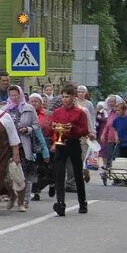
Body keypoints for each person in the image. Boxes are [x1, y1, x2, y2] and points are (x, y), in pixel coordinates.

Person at [49, 82, 91, 217]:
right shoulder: (57, 112)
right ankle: (60, 203)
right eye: (62, 97)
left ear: (73, 97)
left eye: (67, 97)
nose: (64, 99)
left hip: (73, 143)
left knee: (77, 174)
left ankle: (82, 202)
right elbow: (53, 128)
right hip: (61, 144)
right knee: (59, 174)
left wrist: (72, 128)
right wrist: (55, 129)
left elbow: (84, 130)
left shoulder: (80, 112)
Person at [5, 85, 38, 210]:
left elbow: (36, 125)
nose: (14, 97)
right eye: (12, 95)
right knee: (8, 175)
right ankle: (12, 195)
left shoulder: (29, 108)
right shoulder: (6, 109)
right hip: (8, 145)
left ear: (20, 95)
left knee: (23, 174)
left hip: (23, 145)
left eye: (16, 95)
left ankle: (23, 201)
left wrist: (28, 129)